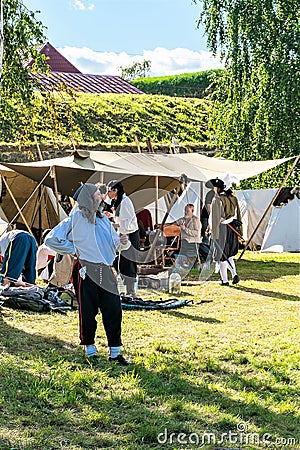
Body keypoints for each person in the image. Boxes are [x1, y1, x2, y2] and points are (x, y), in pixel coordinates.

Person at [45, 183, 131, 365]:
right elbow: (51, 239)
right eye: (97, 195)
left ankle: (115, 352)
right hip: (86, 269)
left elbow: (115, 244)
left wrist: (123, 242)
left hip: (106, 270)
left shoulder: (104, 220)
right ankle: (90, 350)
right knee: (88, 310)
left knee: (114, 309)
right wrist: (74, 249)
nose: (101, 197)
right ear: (88, 198)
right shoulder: (75, 219)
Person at [106, 180, 140, 296]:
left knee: (128, 263)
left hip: (129, 235)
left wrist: (113, 225)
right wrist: (112, 216)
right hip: (123, 234)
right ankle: (127, 289)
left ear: (115, 191)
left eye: (109, 191)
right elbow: (122, 218)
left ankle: (131, 291)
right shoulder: (119, 201)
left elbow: (129, 223)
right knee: (120, 262)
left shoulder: (125, 202)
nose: (108, 193)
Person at [208, 178, 242, 285]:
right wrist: (240, 231)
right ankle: (234, 274)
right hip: (232, 228)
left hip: (222, 229)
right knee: (228, 255)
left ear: (217, 188)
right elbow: (238, 215)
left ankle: (225, 280)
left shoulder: (217, 199)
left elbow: (215, 219)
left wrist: (213, 234)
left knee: (222, 255)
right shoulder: (233, 198)